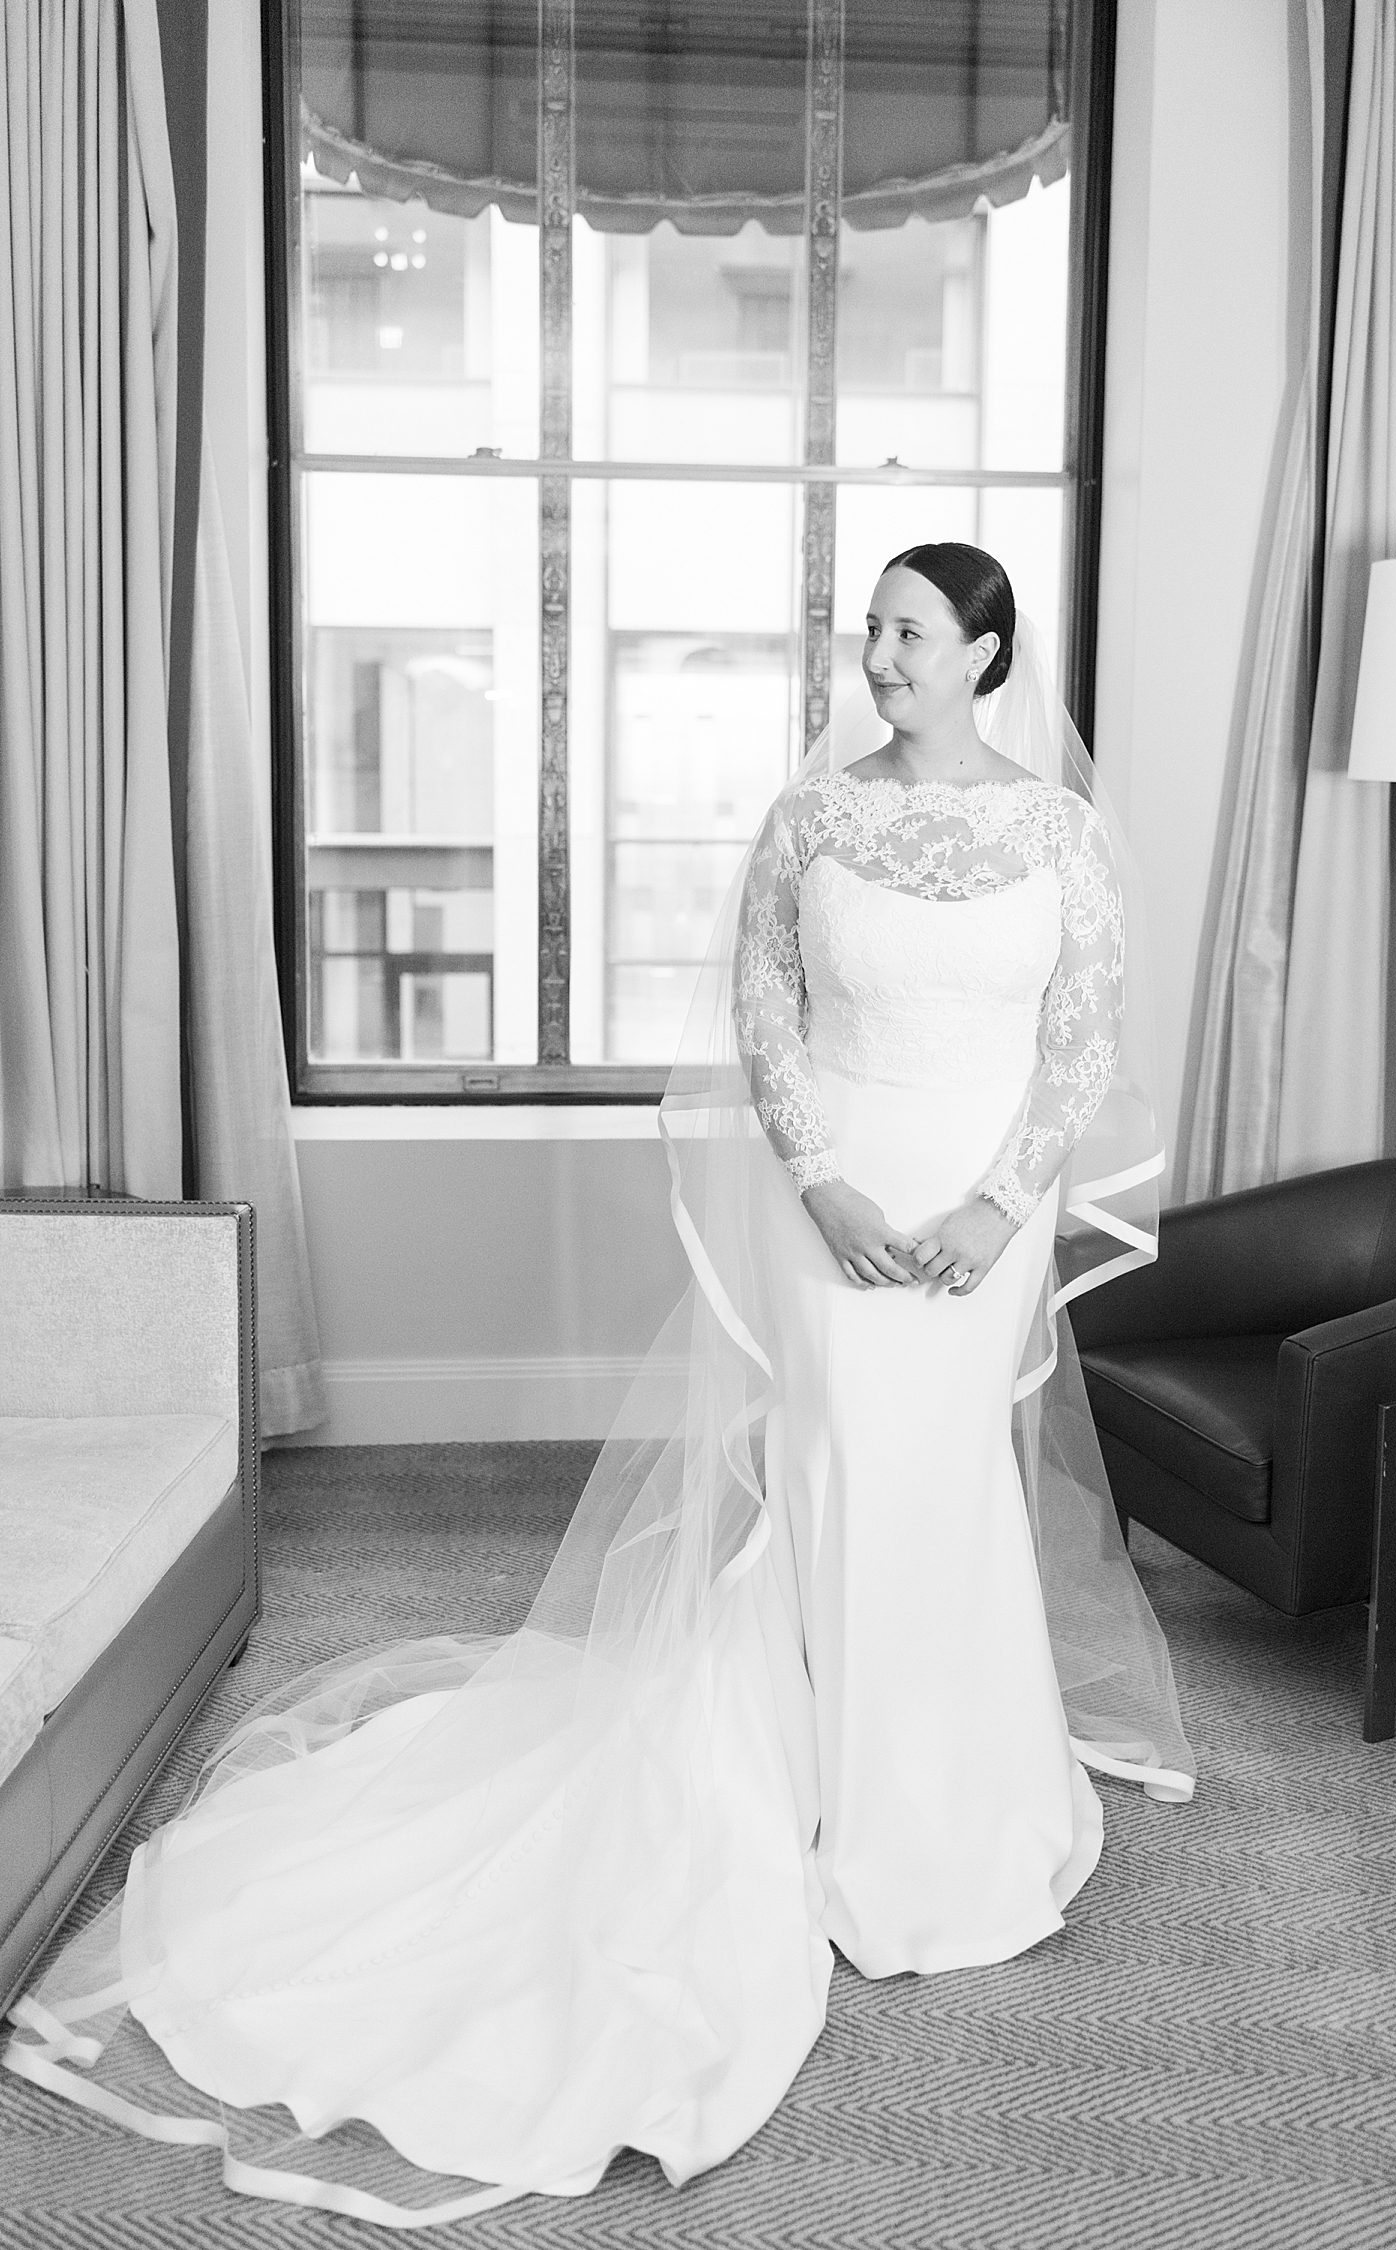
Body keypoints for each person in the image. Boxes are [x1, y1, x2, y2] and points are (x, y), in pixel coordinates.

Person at [3, 544, 1193, 2226]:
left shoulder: (1060, 834)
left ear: (987, 650)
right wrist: (831, 1184)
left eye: (909, 633)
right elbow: (766, 1014)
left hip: (980, 1210)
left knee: (946, 1483)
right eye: (869, 630)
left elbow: (1081, 1031)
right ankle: (828, 1791)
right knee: (846, 1469)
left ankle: (960, 1804)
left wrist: (1002, 1202)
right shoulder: (815, 819)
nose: (876, 657)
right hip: (840, 1196)